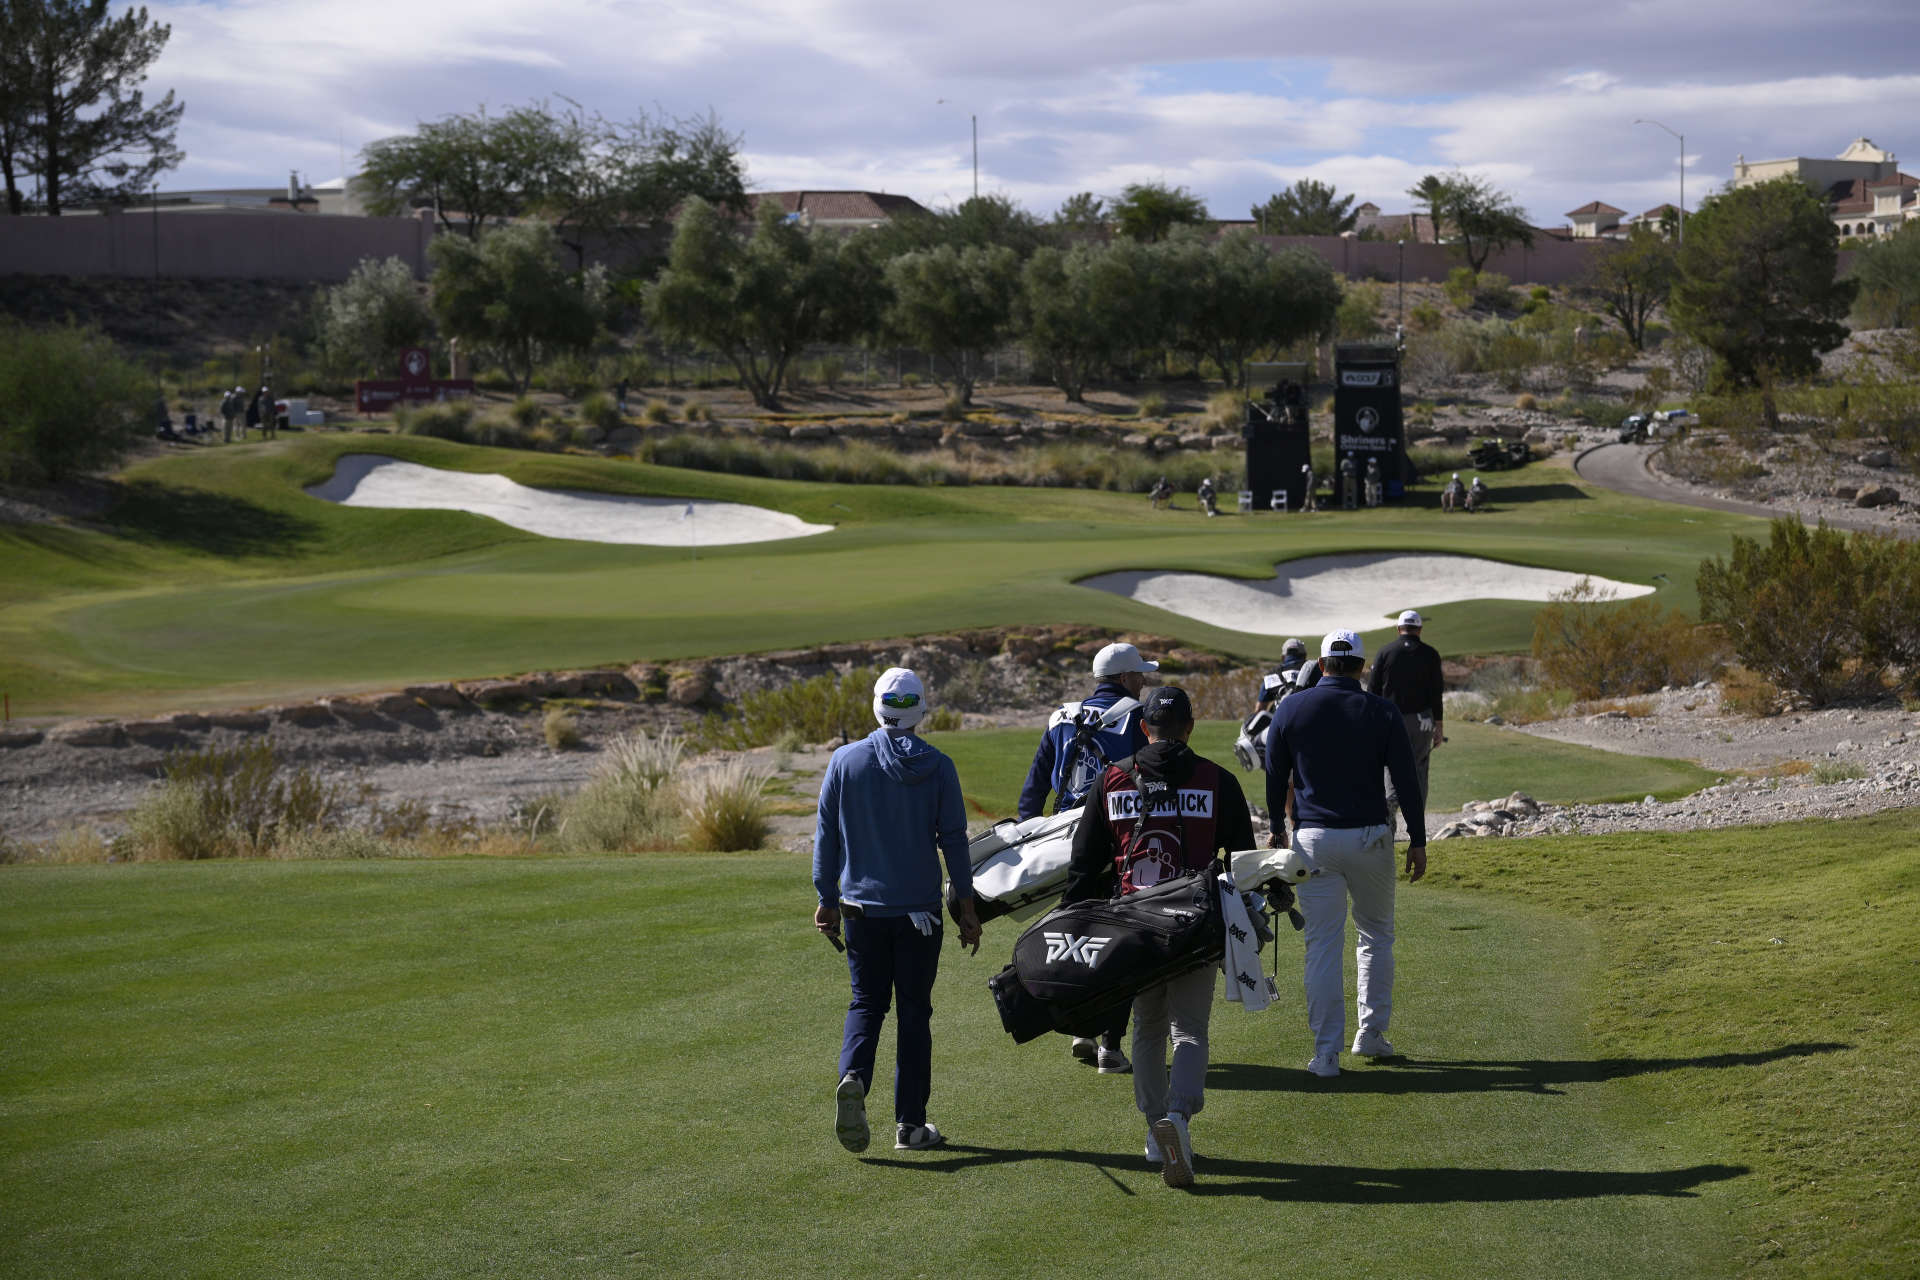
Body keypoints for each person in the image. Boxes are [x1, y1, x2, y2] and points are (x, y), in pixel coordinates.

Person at [1063, 685, 1257, 1189]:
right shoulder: (1218, 780)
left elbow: (1084, 864)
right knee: (1189, 1030)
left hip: (1134, 926)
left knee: (1147, 1030)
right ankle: (1180, 1119)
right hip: (1196, 926)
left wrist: (1074, 924)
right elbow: (1244, 862)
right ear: (1189, 727)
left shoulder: (1113, 778)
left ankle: (1155, 1130)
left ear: (1144, 727)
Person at [813, 667, 982, 1155]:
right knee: (914, 1015)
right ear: (919, 709)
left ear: (878, 707)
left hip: (860, 910)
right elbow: (954, 842)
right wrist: (966, 909)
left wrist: (825, 899)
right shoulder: (940, 766)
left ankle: (854, 1078)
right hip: (919, 916)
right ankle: (910, 1125)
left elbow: (828, 838)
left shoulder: (844, 761)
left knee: (866, 1003)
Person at [1264, 630, 1427, 1079]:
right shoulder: (1381, 710)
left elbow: (1275, 775)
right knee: (1375, 936)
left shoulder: (1291, 708)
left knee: (1322, 946)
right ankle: (1370, 1034)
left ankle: (1326, 1054)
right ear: (1361, 666)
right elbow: (1406, 779)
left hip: (1313, 839)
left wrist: (1277, 829)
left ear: (1320, 664)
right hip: (1370, 838)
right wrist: (1418, 838)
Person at [1019, 641, 1156, 1072]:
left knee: (1078, 939)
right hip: (1118, 845)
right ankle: (1110, 1048)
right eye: (1140, 675)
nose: (1144, 681)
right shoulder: (1137, 716)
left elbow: (1034, 789)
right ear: (1124, 678)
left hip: (1065, 846)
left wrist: (1032, 838)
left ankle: (1081, 1028)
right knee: (1119, 943)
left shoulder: (1060, 716)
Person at [1368, 610, 1445, 812]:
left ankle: (1390, 810)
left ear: (1398, 629)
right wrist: (1439, 726)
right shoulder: (1431, 654)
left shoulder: (1385, 652)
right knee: (1419, 767)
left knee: (1391, 766)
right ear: (1419, 629)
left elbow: (1372, 691)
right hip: (1422, 722)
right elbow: (1436, 694)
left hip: (1390, 721)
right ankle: (1416, 822)